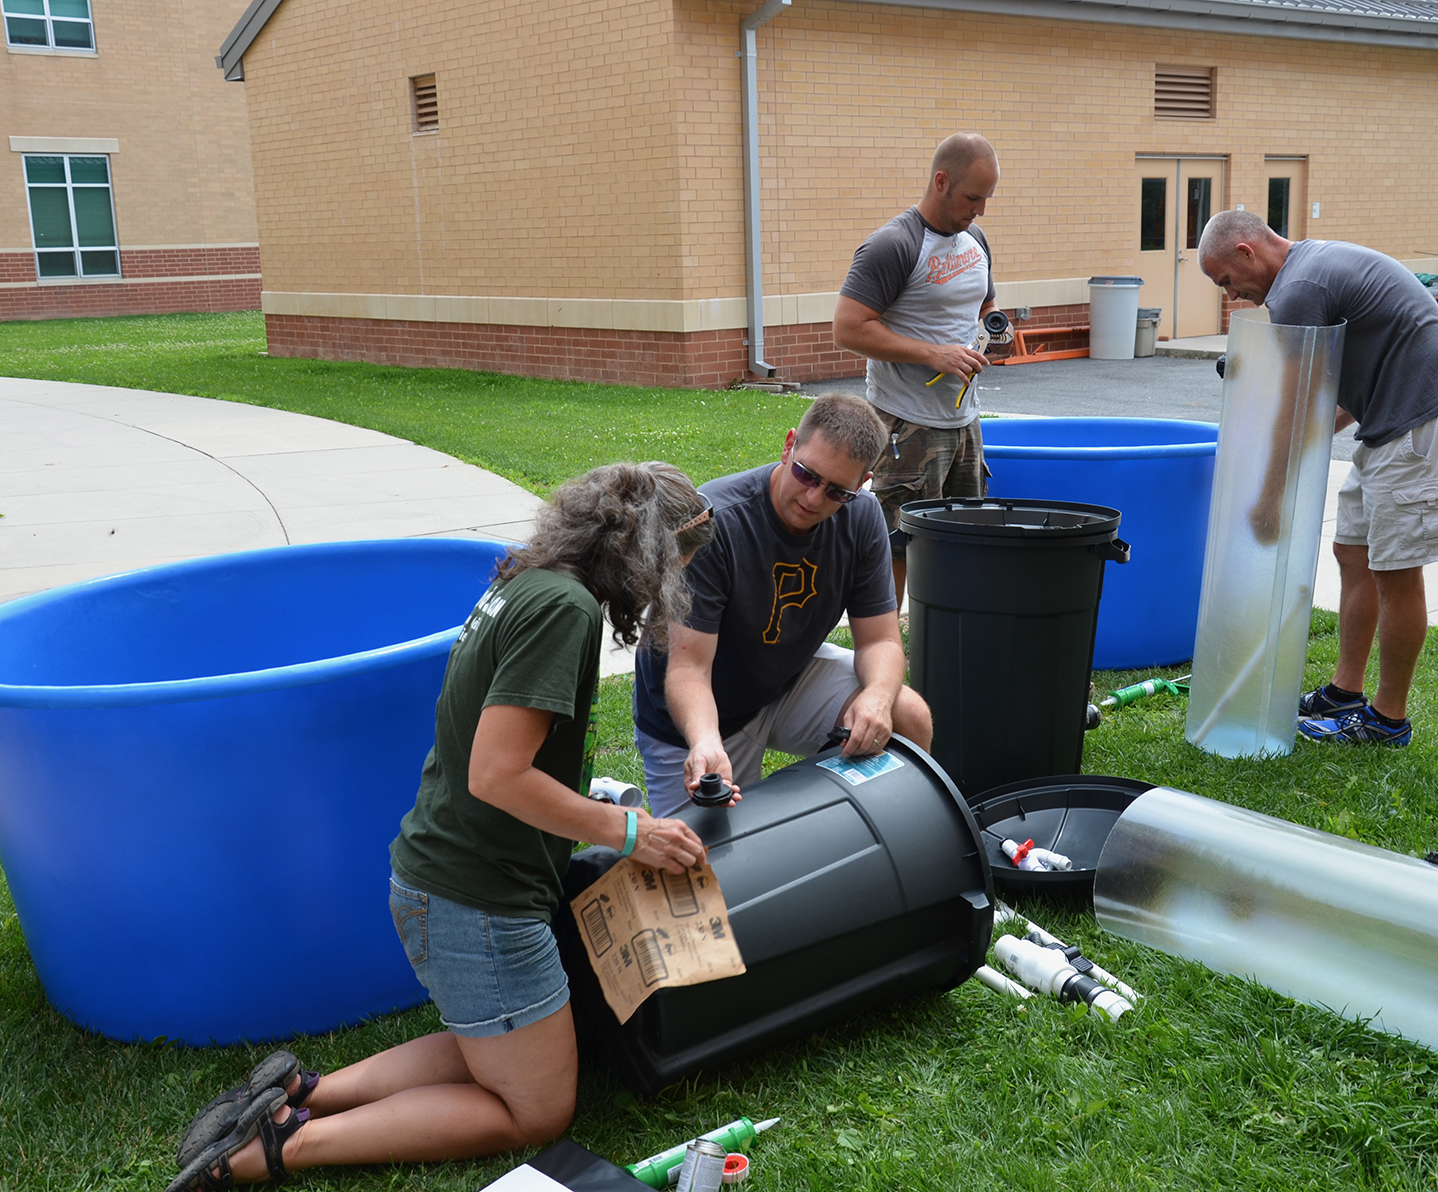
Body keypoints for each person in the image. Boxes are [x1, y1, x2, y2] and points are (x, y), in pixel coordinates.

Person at [165, 464, 717, 1190]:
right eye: (679, 560)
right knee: (537, 1110)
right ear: (647, 549)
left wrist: (602, 797)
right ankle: (279, 1148)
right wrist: (626, 831)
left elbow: (500, 749)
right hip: (478, 900)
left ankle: (301, 1092)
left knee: (502, 1041)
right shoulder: (566, 610)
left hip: (446, 875)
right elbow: (497, 773)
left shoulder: (530, 581)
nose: (672, 582)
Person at [1196, 210, 1438, 747]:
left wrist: (1269, 495)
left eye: (1226, 281)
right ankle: (1344, 692)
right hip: (1388, 424)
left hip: (1422, 424)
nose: (1232, 295)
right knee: (1354, 553)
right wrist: (1306, 437)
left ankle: (1386, 720)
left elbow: (1296, 405)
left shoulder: (1297, 290)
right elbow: (1330, 400)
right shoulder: (1312, 268)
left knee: (1396, 572)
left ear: (1246, 253)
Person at [632, 393, 933, 816]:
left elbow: (880, 640)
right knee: (709, 872)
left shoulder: (862, 516)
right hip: (695, 712)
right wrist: (705, 742)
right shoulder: (716, 521)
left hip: (783, 681)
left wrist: (878, 698)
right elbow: (688, 668)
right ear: (789, 445)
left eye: (837, 492)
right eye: (807, 475)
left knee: (907, 713)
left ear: (863, 482)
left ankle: (896, 837)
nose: (814, 499)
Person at [834, 132, 1000, 600]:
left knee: (962, 538)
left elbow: (983, 303)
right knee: (899, 547)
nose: (980, 210)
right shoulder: (893, 244)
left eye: (987, 199)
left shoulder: (976, 238)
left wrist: (993, 330)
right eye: (972, 197)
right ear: (941, 181)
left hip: (964, 422)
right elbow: (848, 328)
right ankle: (888, 652)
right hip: (906, 423)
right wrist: (934, 353)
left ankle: (945, 641)